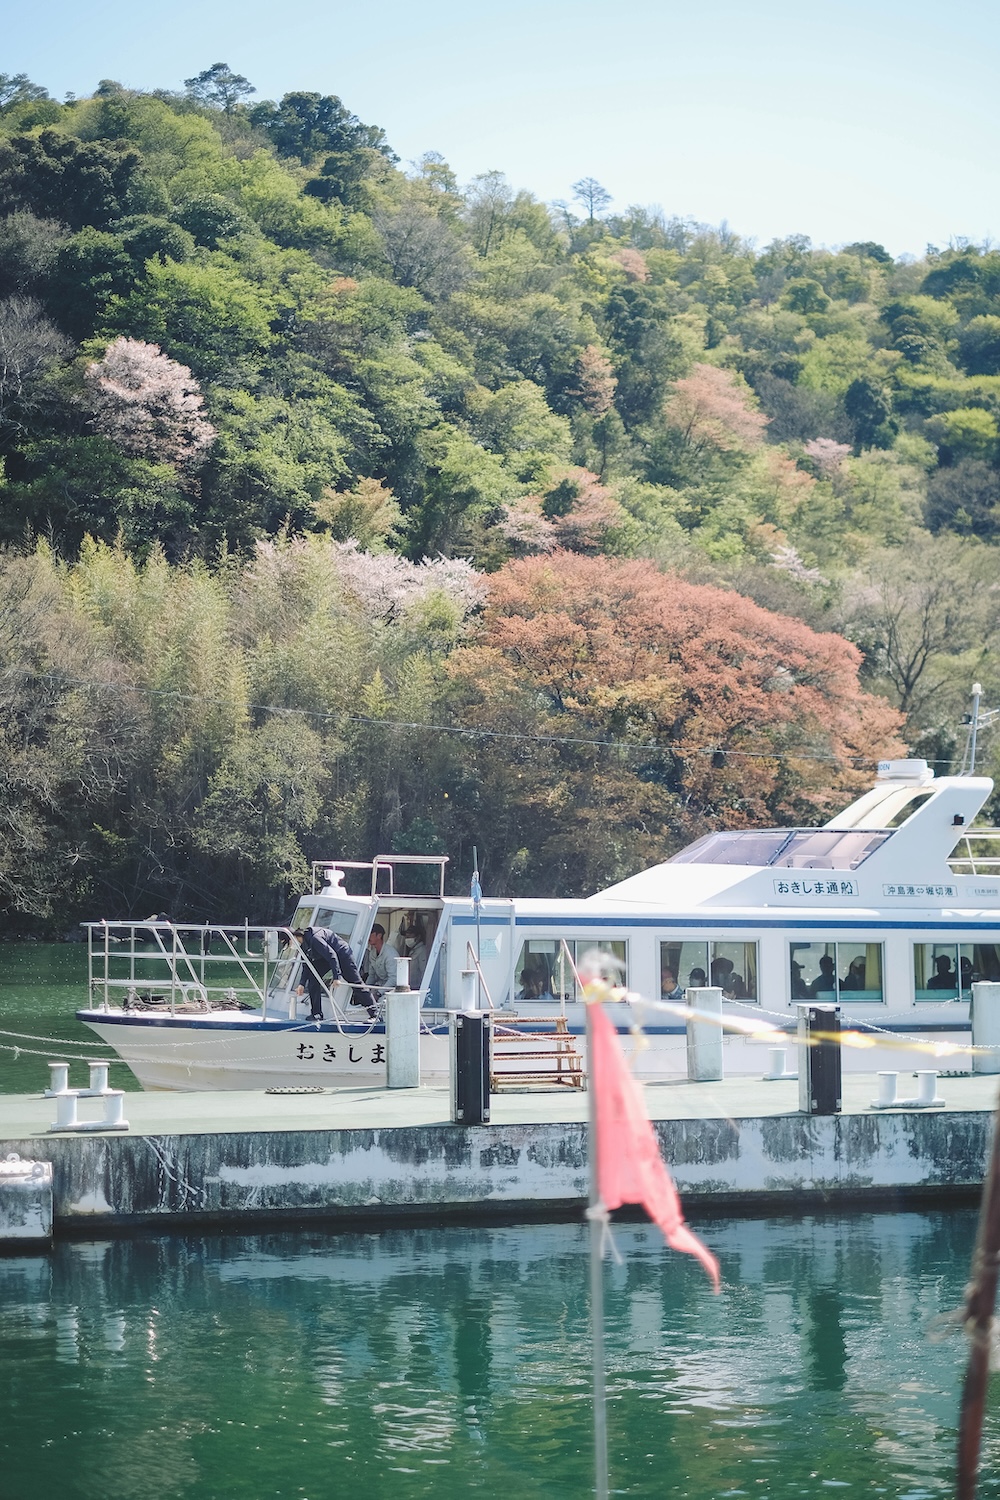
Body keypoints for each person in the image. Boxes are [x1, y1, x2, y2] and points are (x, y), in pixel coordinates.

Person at [290, 926, 376, 1021]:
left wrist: (336, 977)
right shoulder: (303, 945)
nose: (290, 946)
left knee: (355, 982)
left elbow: (332, 955)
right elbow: (307, 965)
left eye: (288, 943)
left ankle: (375, 1014)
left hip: (341, 953)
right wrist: (301, 984)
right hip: (326, 957)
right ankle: (316, 1014)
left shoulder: (314, 938)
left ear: (293, 937)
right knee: (313, 977)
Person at [364, 924, 398, 991]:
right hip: (379, 985)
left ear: (379, 936)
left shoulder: (390, 954)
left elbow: (393, 979)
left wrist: (379, 993)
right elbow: (372, 976)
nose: (368, 936)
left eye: (371, 933)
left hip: (392, 989)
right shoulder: (372, 953)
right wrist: (365, 989)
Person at [399, 918, 428, 990]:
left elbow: (423, 972)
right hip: (411, 987)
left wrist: (422, 990)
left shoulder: (422, 950)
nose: (407, 939)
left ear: (418, 937)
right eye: (406, 937)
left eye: (409, 936)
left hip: (417, 988)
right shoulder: (412, 950)